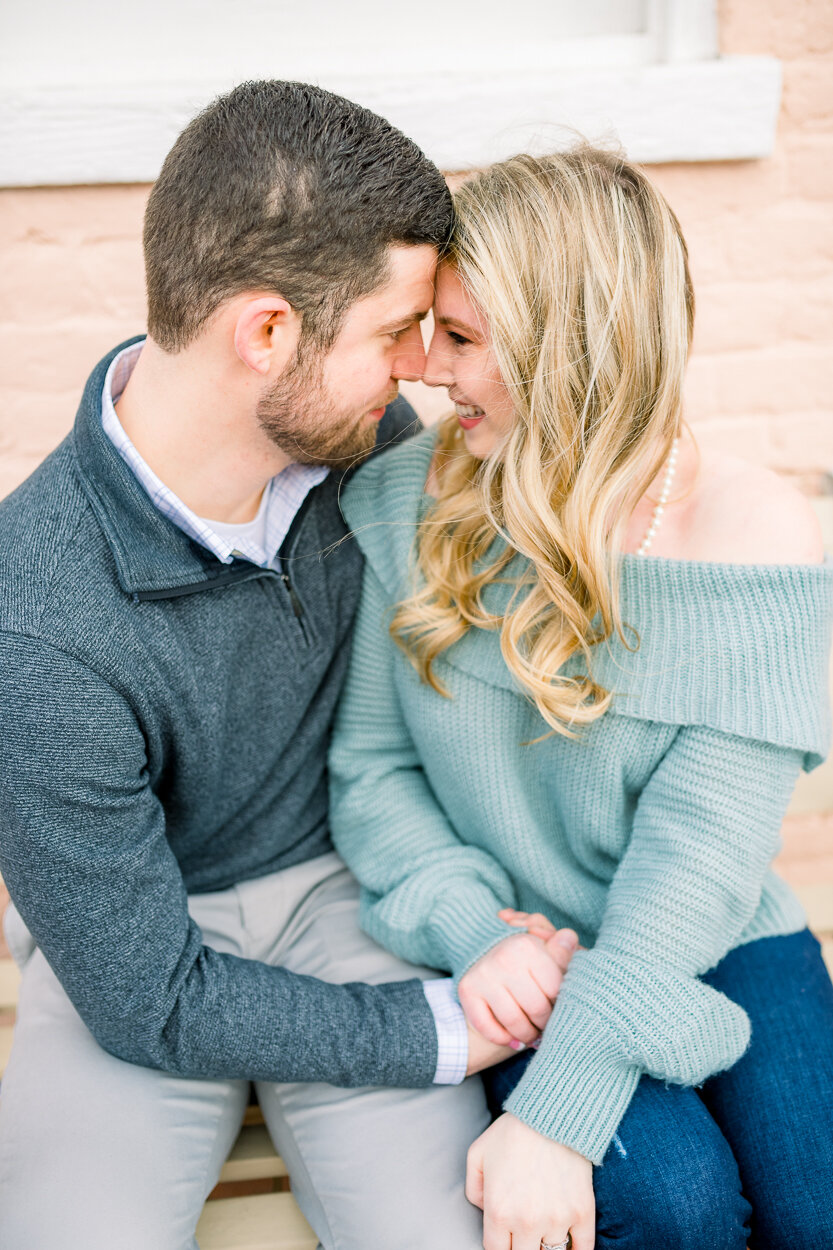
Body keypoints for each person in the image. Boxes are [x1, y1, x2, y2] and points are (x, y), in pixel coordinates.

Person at [0, 82, 577, 1250]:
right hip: (148, 936)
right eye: (393, 330)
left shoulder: (364, 449)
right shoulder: (34, 623)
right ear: (267, 333)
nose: (422, 366)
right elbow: (150, 997)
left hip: (352, 884)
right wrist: (430, 1032)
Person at [329, 145, 833, 1250]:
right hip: (521, 948)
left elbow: (697, 864)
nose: (423, 368)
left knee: (819, 1202)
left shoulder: (753, 537)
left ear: (568, 352)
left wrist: (555, 1117)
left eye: (459, 339)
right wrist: (474, 934)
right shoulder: (401, 501)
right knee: (673, 1206)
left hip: (706, 931)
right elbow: (370, 774)